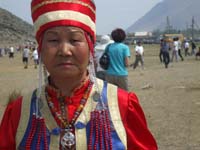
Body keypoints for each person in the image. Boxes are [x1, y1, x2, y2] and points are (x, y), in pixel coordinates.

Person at [0, 0, 157, 149]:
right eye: (53, 40)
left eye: (74, 40)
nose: (64, 51)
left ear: (90, 47)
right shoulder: (19, 112)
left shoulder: (123, 105)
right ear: (40, 49)